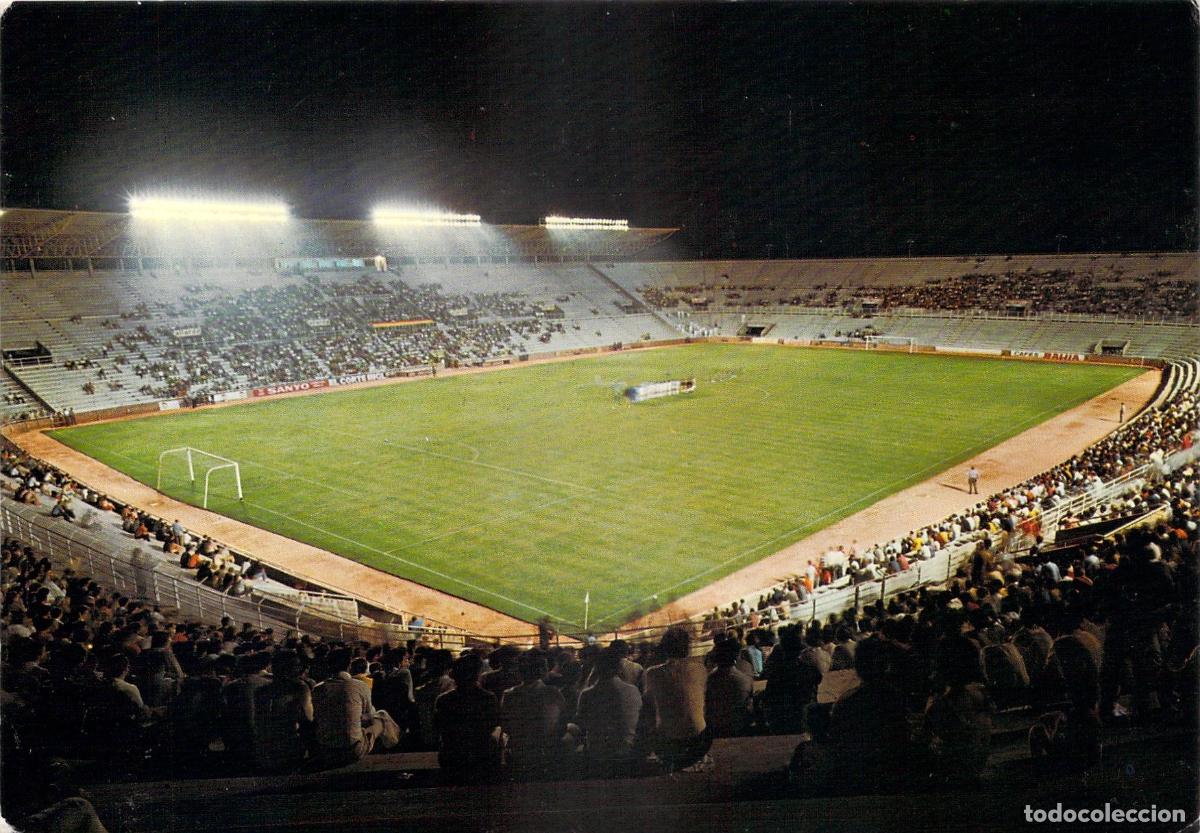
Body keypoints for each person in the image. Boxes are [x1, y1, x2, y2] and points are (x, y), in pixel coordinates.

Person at [311, 647, 400, 767]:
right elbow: (370, 717)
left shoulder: (317, 689)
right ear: (349, 665)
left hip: (326, 750)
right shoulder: (360, 686)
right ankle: (395, 749)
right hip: (352, 750)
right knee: (382, 717)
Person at [642, 627, 711, 772]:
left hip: (667, 746)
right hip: (699, 744)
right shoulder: (700, 669)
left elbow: (648, 706)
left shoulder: (652, 673)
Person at [575, 645, 642, 773]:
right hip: (626, 751)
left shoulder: (588, 694)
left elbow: (581, 723)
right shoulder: (632, 690)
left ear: (596, 668)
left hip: (598, 753)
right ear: (618, 667)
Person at [433, 653, 502, 778]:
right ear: (477, 674)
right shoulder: (488, 698)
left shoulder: (443, 700)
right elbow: (494, 724)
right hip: (482, 753)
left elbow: (438, 727)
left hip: (452, 755)